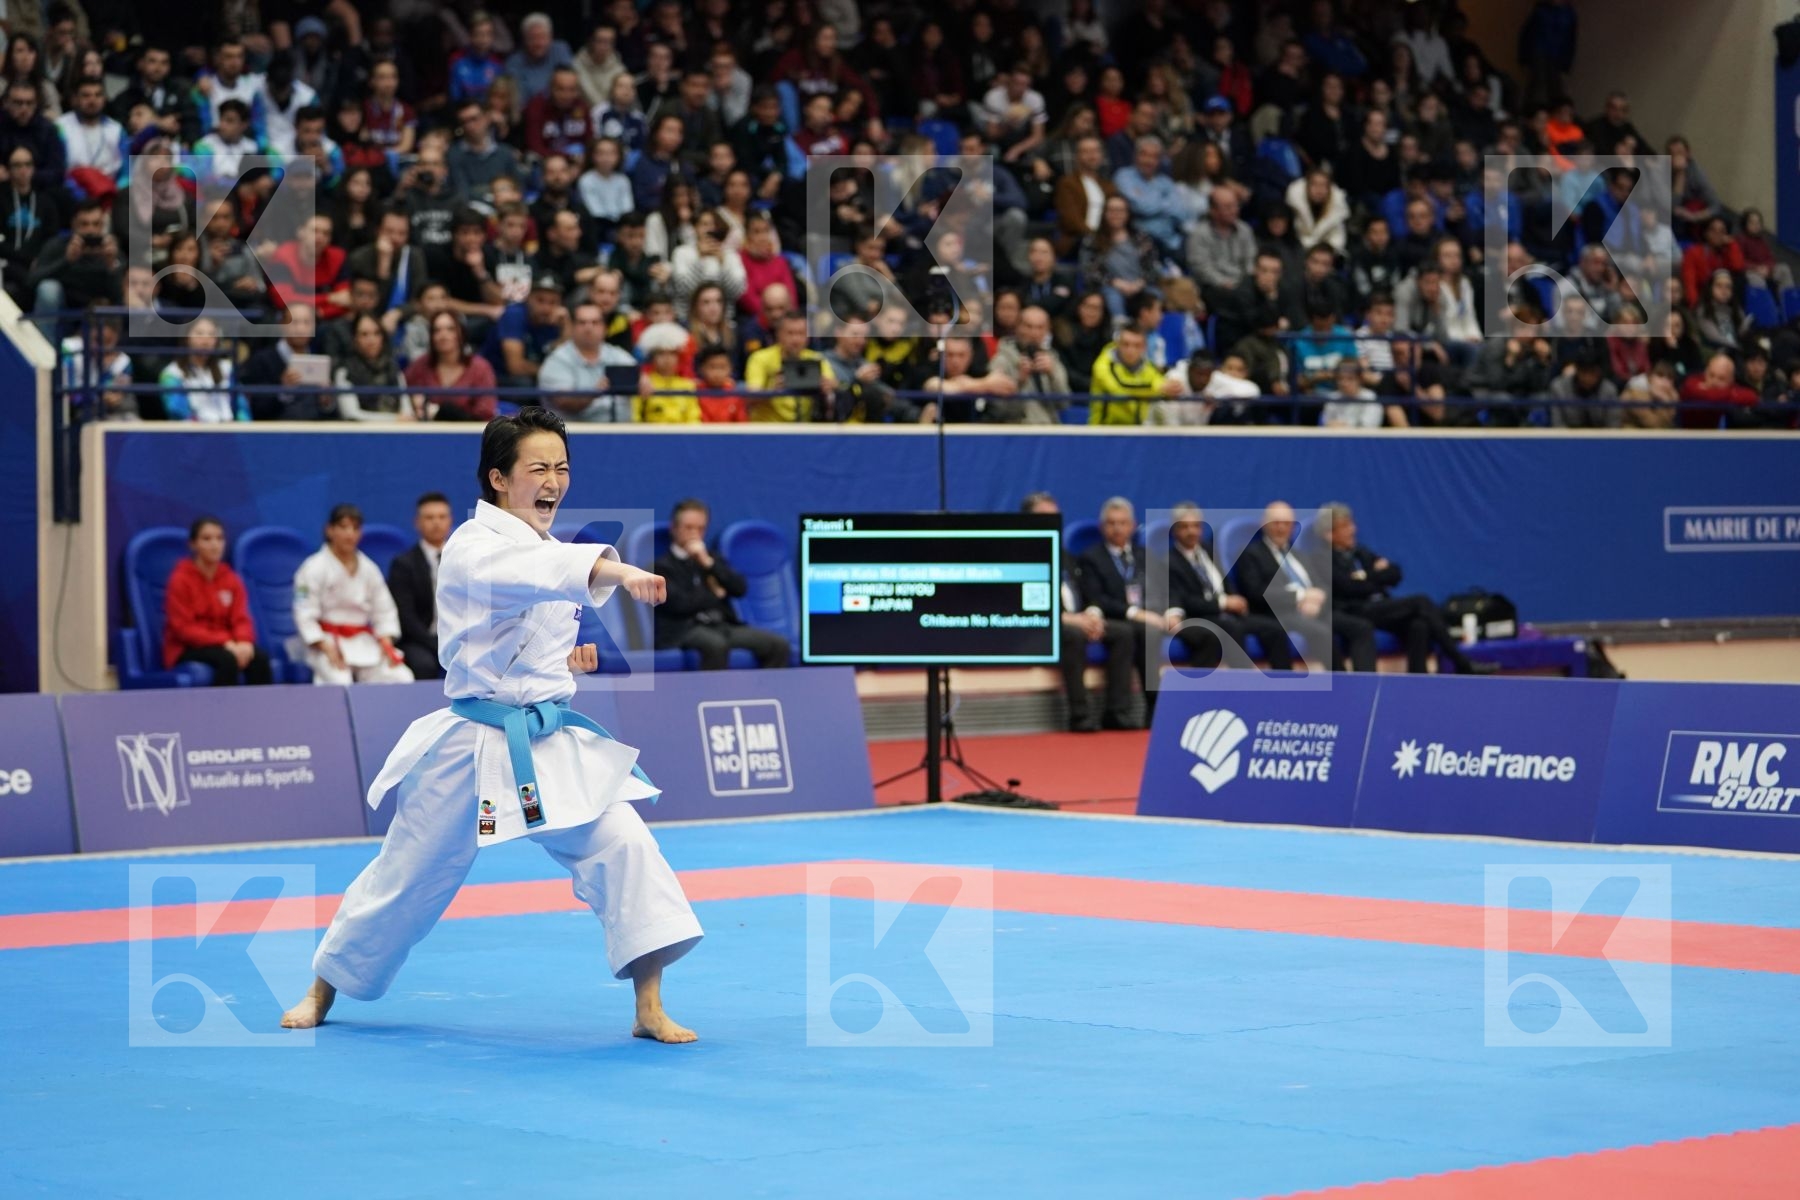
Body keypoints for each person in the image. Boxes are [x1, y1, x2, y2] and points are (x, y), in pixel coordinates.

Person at [282, 408, 702, 1043]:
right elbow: (521, 581)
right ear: (499, 479)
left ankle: (648, 1006)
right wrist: (617, 570)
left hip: (547, 739)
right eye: (539, 468)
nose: (554, 480)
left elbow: (526, 645)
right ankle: (321, 989)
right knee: (406, 876)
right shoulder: (471, 548)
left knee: (626, 844)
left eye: (562, 468)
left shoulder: (555, 551)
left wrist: (567, 664)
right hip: (473, 743)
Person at [1320, 503, 1498, 675]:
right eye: (1345, 526)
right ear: (1330, 533)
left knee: (1419, 625)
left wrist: (1366, 577)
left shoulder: (1360, 552)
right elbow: (1348, 588)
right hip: (1356, 611)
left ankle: (1417, 680)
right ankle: (1462, 662)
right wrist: (1374, 576)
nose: (1353, 529)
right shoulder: (1323, 556)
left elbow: (1395, 573)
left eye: (1352, 523)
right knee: (1421, 602)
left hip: (1380, 606)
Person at [1151, 501, 1296, 671]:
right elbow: (1184, 601)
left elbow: (1226, 583)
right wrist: (1223, 603)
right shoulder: (1168, 562)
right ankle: (1244, 682)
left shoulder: (1209, 551)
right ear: (1175, 531)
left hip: (1228, 613)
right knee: (1232, 628)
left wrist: (1235, 599)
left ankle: (1286, 684)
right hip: (1201, 615)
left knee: (1274, 629)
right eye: (1185, 527)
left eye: (1196, 526)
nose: (1191, 532)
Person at [1235, 500, 1375, 672]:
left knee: (1361, 627)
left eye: (1286, 523)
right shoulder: (1251, 554)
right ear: (1264, 524)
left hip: (1316, 610)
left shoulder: (1299, 555)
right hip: (1281, 614)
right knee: (1321, 632)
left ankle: (1367, 684)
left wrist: (1318, 598)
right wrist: (1301, 597)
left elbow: (1322, 585)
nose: (1281, 528)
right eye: (1276, 523)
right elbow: (1256, 592)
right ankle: (1342, 686)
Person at [651, 499, 790, 670]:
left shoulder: (711, 560)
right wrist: (715, 594)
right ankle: (712, 695)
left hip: (722, 626)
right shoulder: (662, 566)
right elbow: (680, 604)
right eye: (688, 528)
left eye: (700, 529)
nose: (694, 534)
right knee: (715, 645)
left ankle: (767, 693)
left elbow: (740, 588)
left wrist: (709, 565)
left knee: (778, 645)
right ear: (674, 528)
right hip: (683, 630)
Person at [292, 503, 415, 685]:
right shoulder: (312, 568)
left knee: (402, 677)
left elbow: (384, 610)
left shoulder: (369, 568)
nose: (350, 534)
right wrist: (324, 645)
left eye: (355, 528)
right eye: (343, 527)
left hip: (363, 641)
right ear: (330, 530)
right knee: (339, 681)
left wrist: (386, 640)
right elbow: (303, 613)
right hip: (326, 642)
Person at [1075, 497, 1163, 729]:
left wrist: (1173, 611)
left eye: (1123, 523)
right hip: (1114, 617)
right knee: (1135, 631)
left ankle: (1156, 710)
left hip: (1148, 618)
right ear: (1103, 527)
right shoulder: (1091, 557)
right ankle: (1118, 710)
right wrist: (1135, 613)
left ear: (1132, 526)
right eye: (1111, 523)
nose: (1117, 528)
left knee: (1150, 631)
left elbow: (1165, 589)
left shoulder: (1145, 555)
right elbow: (1097, 598)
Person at [163, 516, 273, 686]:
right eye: (207, 539)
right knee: (227, 660)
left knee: (260, 659)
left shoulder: (231, 579)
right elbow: (183, 628)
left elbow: (241, 618)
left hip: (228, 644)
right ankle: (220, 712)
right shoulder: (180, 579)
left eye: (219, 538)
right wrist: (224, 642)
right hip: (188, 648)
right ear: (193, 544)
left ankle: (262, 712)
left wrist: (243, 641)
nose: (215, 545)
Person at [387, 492, 453, 681]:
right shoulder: (403, 564)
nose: (436, 523)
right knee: (424, 664)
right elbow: (406, 616)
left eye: (442, 517)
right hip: (419, 640)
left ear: (450, 520)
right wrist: (436, 643)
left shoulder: (463, 559)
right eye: (429, 517)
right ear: (417, 522)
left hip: (458, 638)